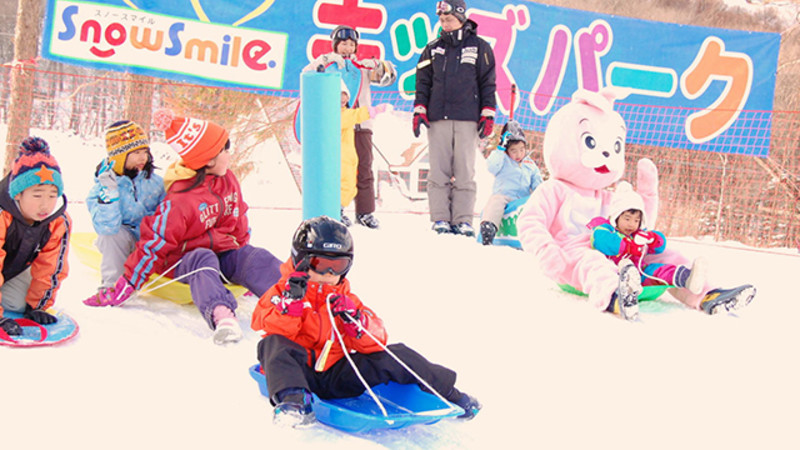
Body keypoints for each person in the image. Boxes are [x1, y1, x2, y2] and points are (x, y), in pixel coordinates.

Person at [251, 216, 481, 427]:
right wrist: (290, 307)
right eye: (321, 264)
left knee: (395, 353)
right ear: (301, 261)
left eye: (338, 266)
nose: (330, 273)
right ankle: (293, 402)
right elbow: (266, 326)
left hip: (337, 375)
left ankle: (449, 393)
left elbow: (376, 341)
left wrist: (357, 323)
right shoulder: (280, 292)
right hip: (300, 375)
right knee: (272, 344)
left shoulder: (345, 299)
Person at [83, 109, 283, 345]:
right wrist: (126, 284)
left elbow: (238, 221)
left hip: (220, 252)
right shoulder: (180, 199)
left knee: (253, 255)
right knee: (202, 257)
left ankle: (289, 298)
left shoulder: (227, 179)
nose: (230, 155)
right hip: (180, 258)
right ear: (208, 159)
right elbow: (156, 241)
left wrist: (244, 271)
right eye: (225, 151)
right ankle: (222, 316)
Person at [413, 0, 496, 236]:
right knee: (438, 170)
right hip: (437, 117)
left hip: (467, 118)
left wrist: (487, 113)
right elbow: (423, 82)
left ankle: (463, 219)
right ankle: (440, 218)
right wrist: (420, 109)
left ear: (461, 18)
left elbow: (488, 83)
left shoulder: (480, 47)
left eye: (448, 19)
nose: (445, 24)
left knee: (465, 171)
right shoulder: (433, 48)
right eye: (441, 20)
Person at [306, 25, 397, 229]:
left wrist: (376, 64)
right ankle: (333, 208)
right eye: (343, 44)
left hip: (361, 123)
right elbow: (307, 76)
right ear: (335, 46)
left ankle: (365, 212)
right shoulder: (329, 64)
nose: (347, 48)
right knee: (335, 167)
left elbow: (388, 77)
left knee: (364, 167)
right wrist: (325, 60)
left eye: (351, 44)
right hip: (335, 126)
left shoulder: (360, 68)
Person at [0, 137, 70, 336]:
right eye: (37, 195)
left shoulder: (58, 221)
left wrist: (37, 306)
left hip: (11, 270)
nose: (45, 205)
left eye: (52, 195)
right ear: (18, 194)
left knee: (18, 304)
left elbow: (51, 267)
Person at [86, 120, 165, 294]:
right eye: (136, 152)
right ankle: (111, 288)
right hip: (122, 242)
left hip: (151, 241)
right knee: (112, 236)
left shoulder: (157, 183)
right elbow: (107, 228)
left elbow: (167, 214)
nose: (142, 157)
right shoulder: (101, 188)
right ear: (119, 156)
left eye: (145, 151)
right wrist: (110, 194)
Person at [589, 182, 707, 294]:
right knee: (614, 269)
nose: (631, 224)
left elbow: (660, 247)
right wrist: (628, 246)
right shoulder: (606, 228)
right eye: (627, 219)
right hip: (612, 272)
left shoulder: (638, 234)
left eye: (636, 220)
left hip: (638, 273)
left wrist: (653, 239)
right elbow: (601, 240)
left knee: (657, 270)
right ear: (616, 216)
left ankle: (687, 278)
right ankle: (628, 287)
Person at [479, 121, 542, 245]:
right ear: (507, 150)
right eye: (514, 151)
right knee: (496, 200)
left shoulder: (530, 164)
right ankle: (489, 226)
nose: (518, 154)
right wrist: (500, 149)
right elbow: (491, 167)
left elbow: (537, 184)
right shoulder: (502, 160)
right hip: (505, 197)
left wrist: (540, 195)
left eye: (521, 150)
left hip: (522, 200)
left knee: (536, 203)